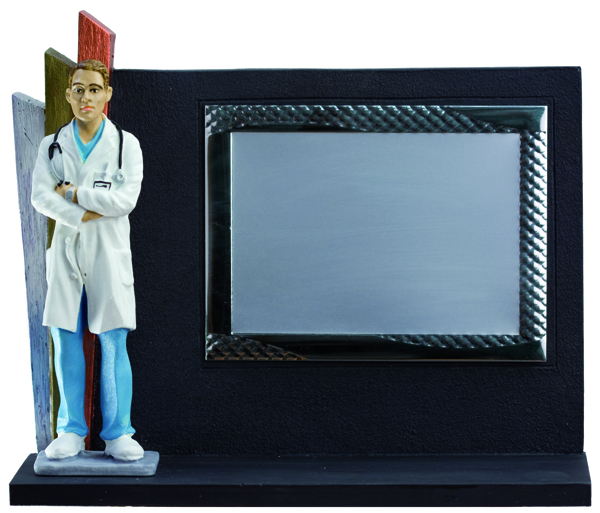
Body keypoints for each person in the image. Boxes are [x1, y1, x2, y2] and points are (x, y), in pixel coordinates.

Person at [31, 59, 144, 461]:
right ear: (68, 95)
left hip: (108, 256)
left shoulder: (126, 145)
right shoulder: (52, 145)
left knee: (113, 340)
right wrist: (84, 214)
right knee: (65, 338)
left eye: (94, 89)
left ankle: (118, 434)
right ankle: (71, 431)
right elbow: (40, 197)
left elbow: (125, 201)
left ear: (107, 94)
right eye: (78, 90)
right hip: (66, 255)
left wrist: (75, 194)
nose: (86, 98)